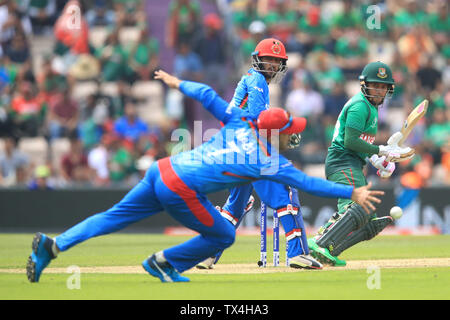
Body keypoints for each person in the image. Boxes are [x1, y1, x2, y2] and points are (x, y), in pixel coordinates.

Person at [26, 71, 384, 283]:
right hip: (179, 188)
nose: (294, 134)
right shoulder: (265, 161)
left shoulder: (240, 120)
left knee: (109, 219)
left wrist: (174, 81)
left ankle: (52, 247)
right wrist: (350, 193)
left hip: (161, 169)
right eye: (290, 129)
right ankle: (163, 263)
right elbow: (308, 184)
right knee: (224, 233)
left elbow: (207, 94)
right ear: (275, 133)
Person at [195, 38, 321, 270]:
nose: (272, 65)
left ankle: (206, 253)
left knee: (236, 206)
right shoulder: (257, 80)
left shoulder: (253, 80)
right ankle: (297, 254)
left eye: (276, 61)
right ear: (257, 60)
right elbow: (257, 119)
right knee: (286, 193)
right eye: (268, 60)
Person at [307, 61, 415, 267]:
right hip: (342, 162)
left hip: (352, 162)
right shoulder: (360, 106)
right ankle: (320, 243)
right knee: (359, 205)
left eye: (383, 87)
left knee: (369, 222)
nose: (379, 90)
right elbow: (350, 141)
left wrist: (377, 160)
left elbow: (362, 143)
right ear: (364, 84)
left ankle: (329, 250)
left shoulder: (372, 109)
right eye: (375, 85)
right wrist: (382, 150)